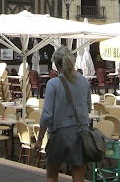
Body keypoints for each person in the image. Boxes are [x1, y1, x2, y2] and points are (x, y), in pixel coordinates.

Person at [35, 46, 92, 182]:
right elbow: (88, 108)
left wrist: (39, 138)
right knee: (79, 175)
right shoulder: (84, 81)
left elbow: (47, 115)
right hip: (81, 132)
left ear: (55, 64)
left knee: (52, 174)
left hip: (59, 134)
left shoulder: (53, 84)